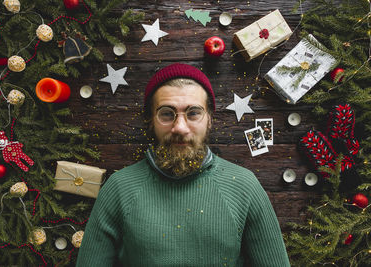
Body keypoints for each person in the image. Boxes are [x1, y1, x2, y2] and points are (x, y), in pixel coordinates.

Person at [76, 63, 290, 266]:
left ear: (210, 119)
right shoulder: (119, 188)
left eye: (193, 113)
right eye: (167, 114)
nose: (180, 127)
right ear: (150, 120)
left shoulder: (244, 186)